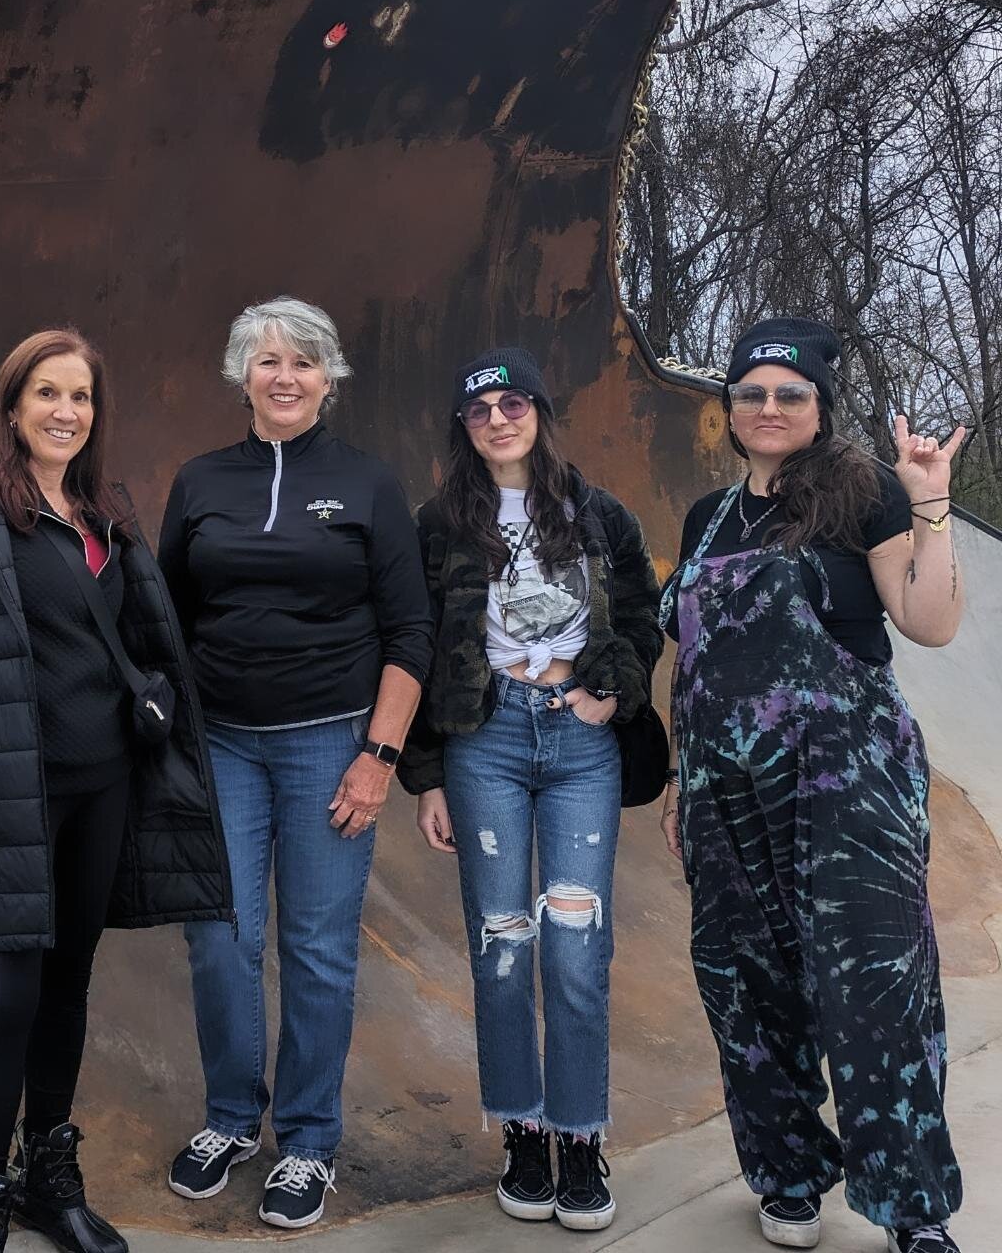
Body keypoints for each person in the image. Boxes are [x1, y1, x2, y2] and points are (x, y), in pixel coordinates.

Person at [0, 329, 231, 1253]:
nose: (65, 412)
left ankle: (49, 1177)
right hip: (8, 795)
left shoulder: (99, 510)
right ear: (12, 404)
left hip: (103, 788)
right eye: (47, 393)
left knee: (70, 986)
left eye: (81, 397)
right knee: (10, 996)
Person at [660, 317, 968, 1253]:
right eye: (750, 392)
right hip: (722, 784)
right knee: (742, 981)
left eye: (790, 394)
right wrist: (684, 771)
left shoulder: (862, 492)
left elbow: (929, 622)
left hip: (849, 777)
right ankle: (787, 1174)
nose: (768, 408)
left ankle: (913, 1210)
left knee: (875, 985)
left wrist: (931, 506)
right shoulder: (705, 518)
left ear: (819, 406)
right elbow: (692, 659)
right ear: (729, 407)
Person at [158, 297, 433, 1231]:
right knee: (219, 936)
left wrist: (378, 757)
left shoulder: (367, 484)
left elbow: (410, 632)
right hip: (223, 743)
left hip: (331, 742)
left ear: (329, 379)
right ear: (243, 375)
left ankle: (308, 1139)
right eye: (268, 361)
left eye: (304, 363)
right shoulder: (200, 482)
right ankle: (233, 1118)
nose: (285, 378)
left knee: (316, 947)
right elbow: (168, 620)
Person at [398, 345, 662, 1233]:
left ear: (542, 412)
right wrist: (427, 776)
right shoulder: (438, 523)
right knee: (502, 944)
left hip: (579, 739)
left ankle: (582, 1139)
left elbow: (641, 616)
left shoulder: (597, 514)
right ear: (462, 430)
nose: (499, 419)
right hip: (487, 742)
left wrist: (612, 689)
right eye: (480, 410)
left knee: (576, 946)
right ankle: (522, 1132)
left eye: (515, 403)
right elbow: (421, 643)